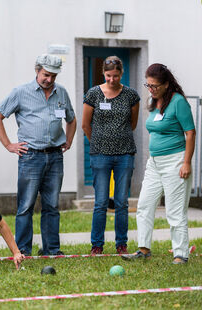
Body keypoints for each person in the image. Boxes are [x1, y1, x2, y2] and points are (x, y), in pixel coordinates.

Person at [0, 54, 77, 256]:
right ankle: (23, 250)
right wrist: (8, 145)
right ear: (37, 70)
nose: (49, 79)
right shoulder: (21, 92)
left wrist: (69, 140)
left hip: (55, 156)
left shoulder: (61, 93)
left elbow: (71, 120)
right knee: (25, 206)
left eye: (53, 76)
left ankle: (51, 249)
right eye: (46, 74)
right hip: (31, 157)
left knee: (52, 206)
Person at [123, 64, 195, 264]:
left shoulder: (178, 102)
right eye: (148, 85)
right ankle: (144, 249)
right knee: (144, 205)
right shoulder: (154, 101)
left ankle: (181, 254)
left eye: (155, 86)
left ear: (166, 84)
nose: (151, 89)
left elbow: (190, 133)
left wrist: (186, 162)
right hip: (154, 163)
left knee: (175, 210)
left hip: (176, 161)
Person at [82, 56, 140, 255]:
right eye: (108, 76)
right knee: (100, 202)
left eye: (115, 76)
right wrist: (98, 142)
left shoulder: (131, 95)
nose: (112, 80)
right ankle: (97, 245)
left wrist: (116, 138)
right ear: (103, 74)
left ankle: (121, 244)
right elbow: (85, 124)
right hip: (100, 155)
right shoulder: (93, 94)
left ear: (121, 74)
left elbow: (133, 123)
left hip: (125, 154)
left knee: (122, 202)